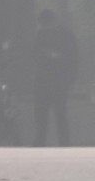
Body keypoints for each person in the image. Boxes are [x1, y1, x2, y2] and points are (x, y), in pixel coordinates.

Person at [33, 8, 78, 146]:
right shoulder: (42, 34)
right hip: (46, 79)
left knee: (58, 113)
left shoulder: (65, 35)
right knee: (44, 114)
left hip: (57, 79)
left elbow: (73, 57)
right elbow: (34, 54)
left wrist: (55, 57)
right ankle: (42, 142)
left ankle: (63, 142)